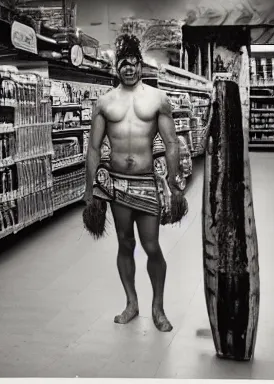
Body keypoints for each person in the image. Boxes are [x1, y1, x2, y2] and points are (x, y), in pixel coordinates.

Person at [83, 33, 186, 332]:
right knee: (124, 243)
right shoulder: (105, 102)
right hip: (117, 185)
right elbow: (93, 147)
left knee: (151, 245)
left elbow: (171, 143)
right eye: (123, 64)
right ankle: (132, 303)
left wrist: (175, 184)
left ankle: (158, 308)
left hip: (146, 184)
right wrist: (90, 190)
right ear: (116, 67)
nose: (129, 68)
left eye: (133, 62)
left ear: (140, 64)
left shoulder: (156, 99)